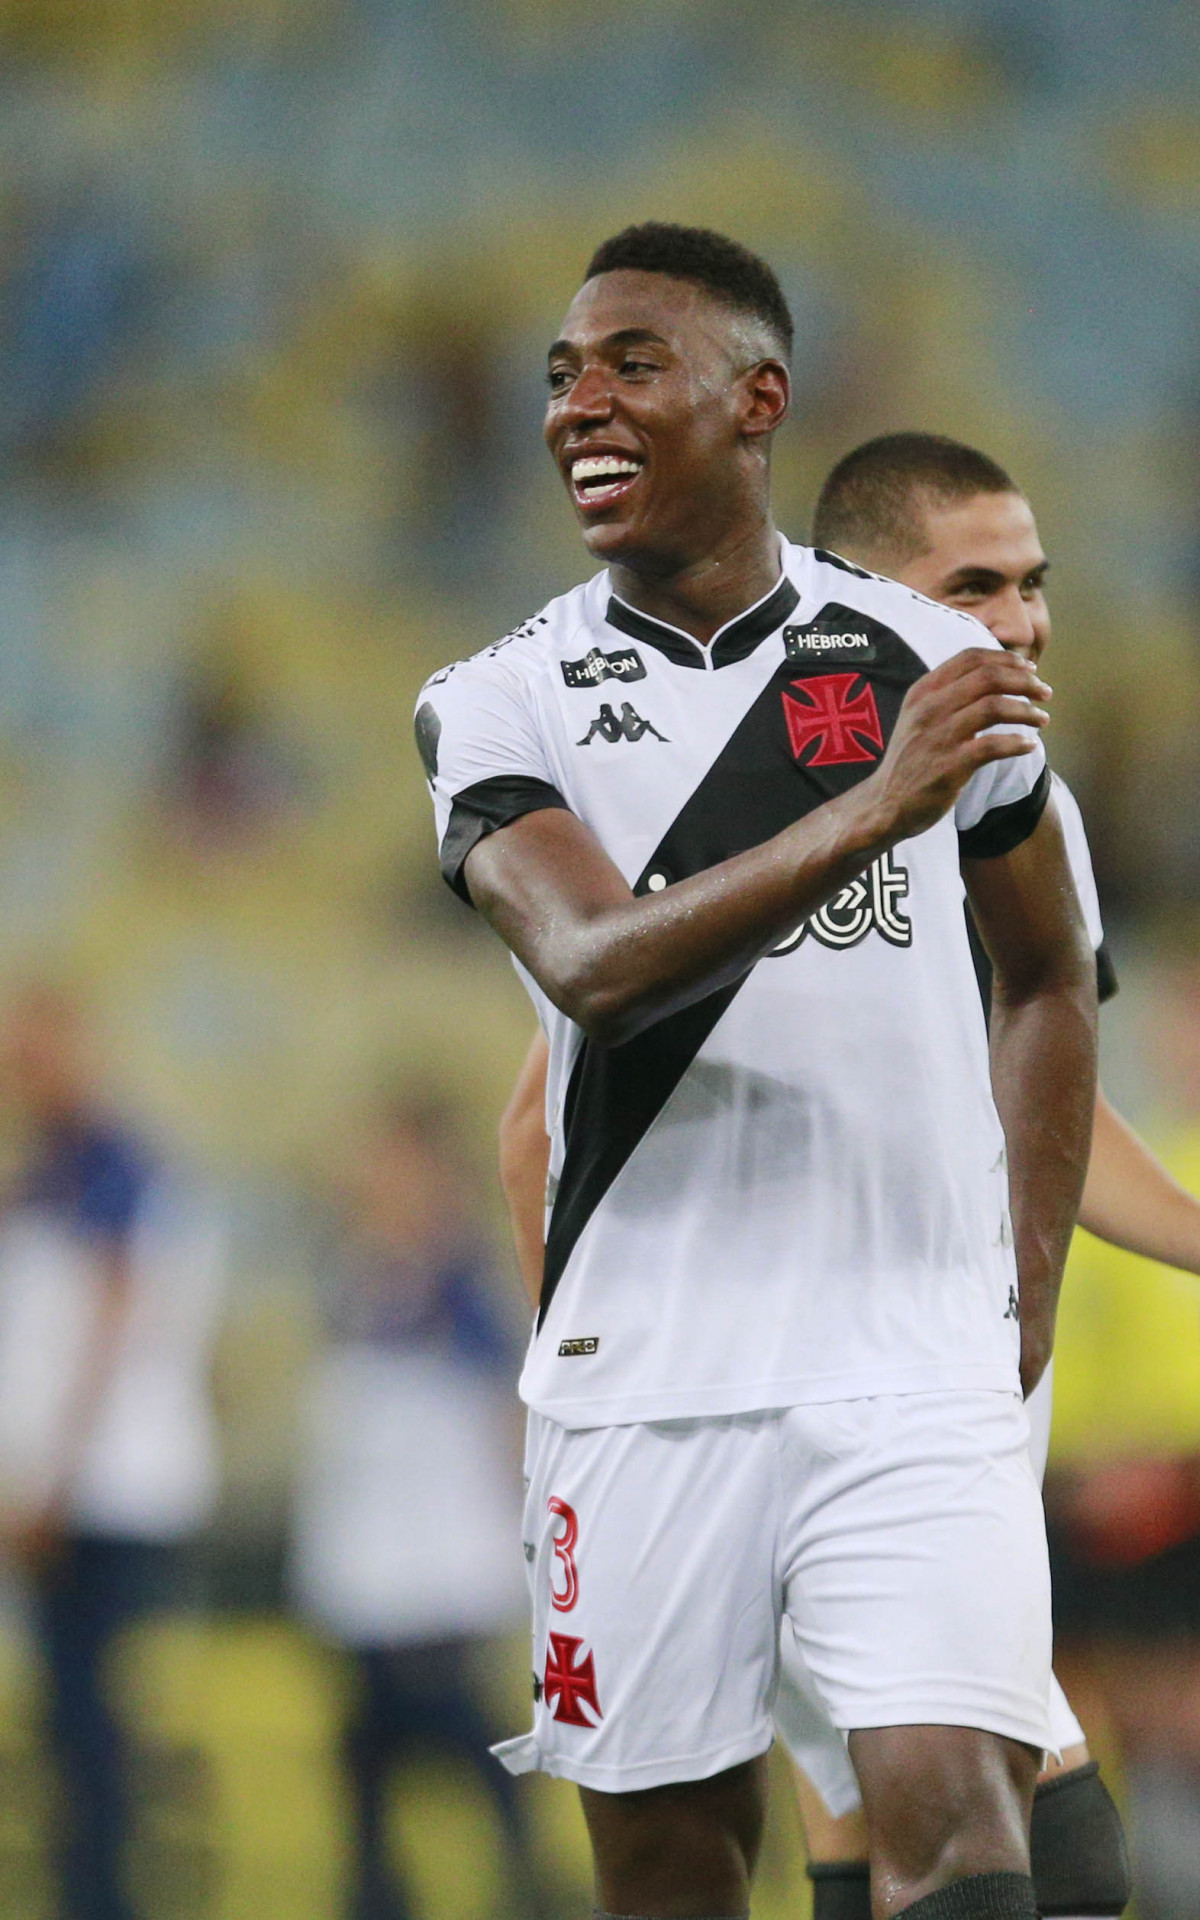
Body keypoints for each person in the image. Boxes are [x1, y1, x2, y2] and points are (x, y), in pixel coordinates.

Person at [416, 223, 1097, 1920]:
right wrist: (872, 805)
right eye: (562, 374)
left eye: (631, 363)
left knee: (974, 1853)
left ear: (755, 401)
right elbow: (589, 969)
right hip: (643, 1380)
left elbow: (1047, 980)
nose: (582, 402)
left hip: (909, 1365)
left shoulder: (934, 664)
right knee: (673, 1875)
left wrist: (1023, 1272)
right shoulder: (496, 703)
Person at [498, 431, 1180, 1920]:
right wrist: (589, 1387)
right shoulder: (749, 797)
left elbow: (1035, 1097)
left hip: (926, 1377)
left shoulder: (1021, 796)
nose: (1018, 623)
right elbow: (535, 1126)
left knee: (957, 1848)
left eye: (1034, 585)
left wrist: (1074, 1283)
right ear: (872, 605)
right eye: (976, 586)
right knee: (1026, 1852)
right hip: (760, 1392)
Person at [288, 1095, 547, 1920]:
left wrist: (524, 1531)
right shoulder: (350, 1275)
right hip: (361, 1561)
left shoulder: (462, 1283)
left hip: (439, 1558)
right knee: (365, 1750)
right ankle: (376, 1895)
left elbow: (502, 1410)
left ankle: (528, 1884)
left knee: (458, 1728)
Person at [0, 983, 227, 1920]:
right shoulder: (52, 1167)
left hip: (107, 1492)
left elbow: (108, 1329)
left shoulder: (110, 1162)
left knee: (94, 1732)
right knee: (71, 1729)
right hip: (72, 1490)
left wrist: (47, 1482)